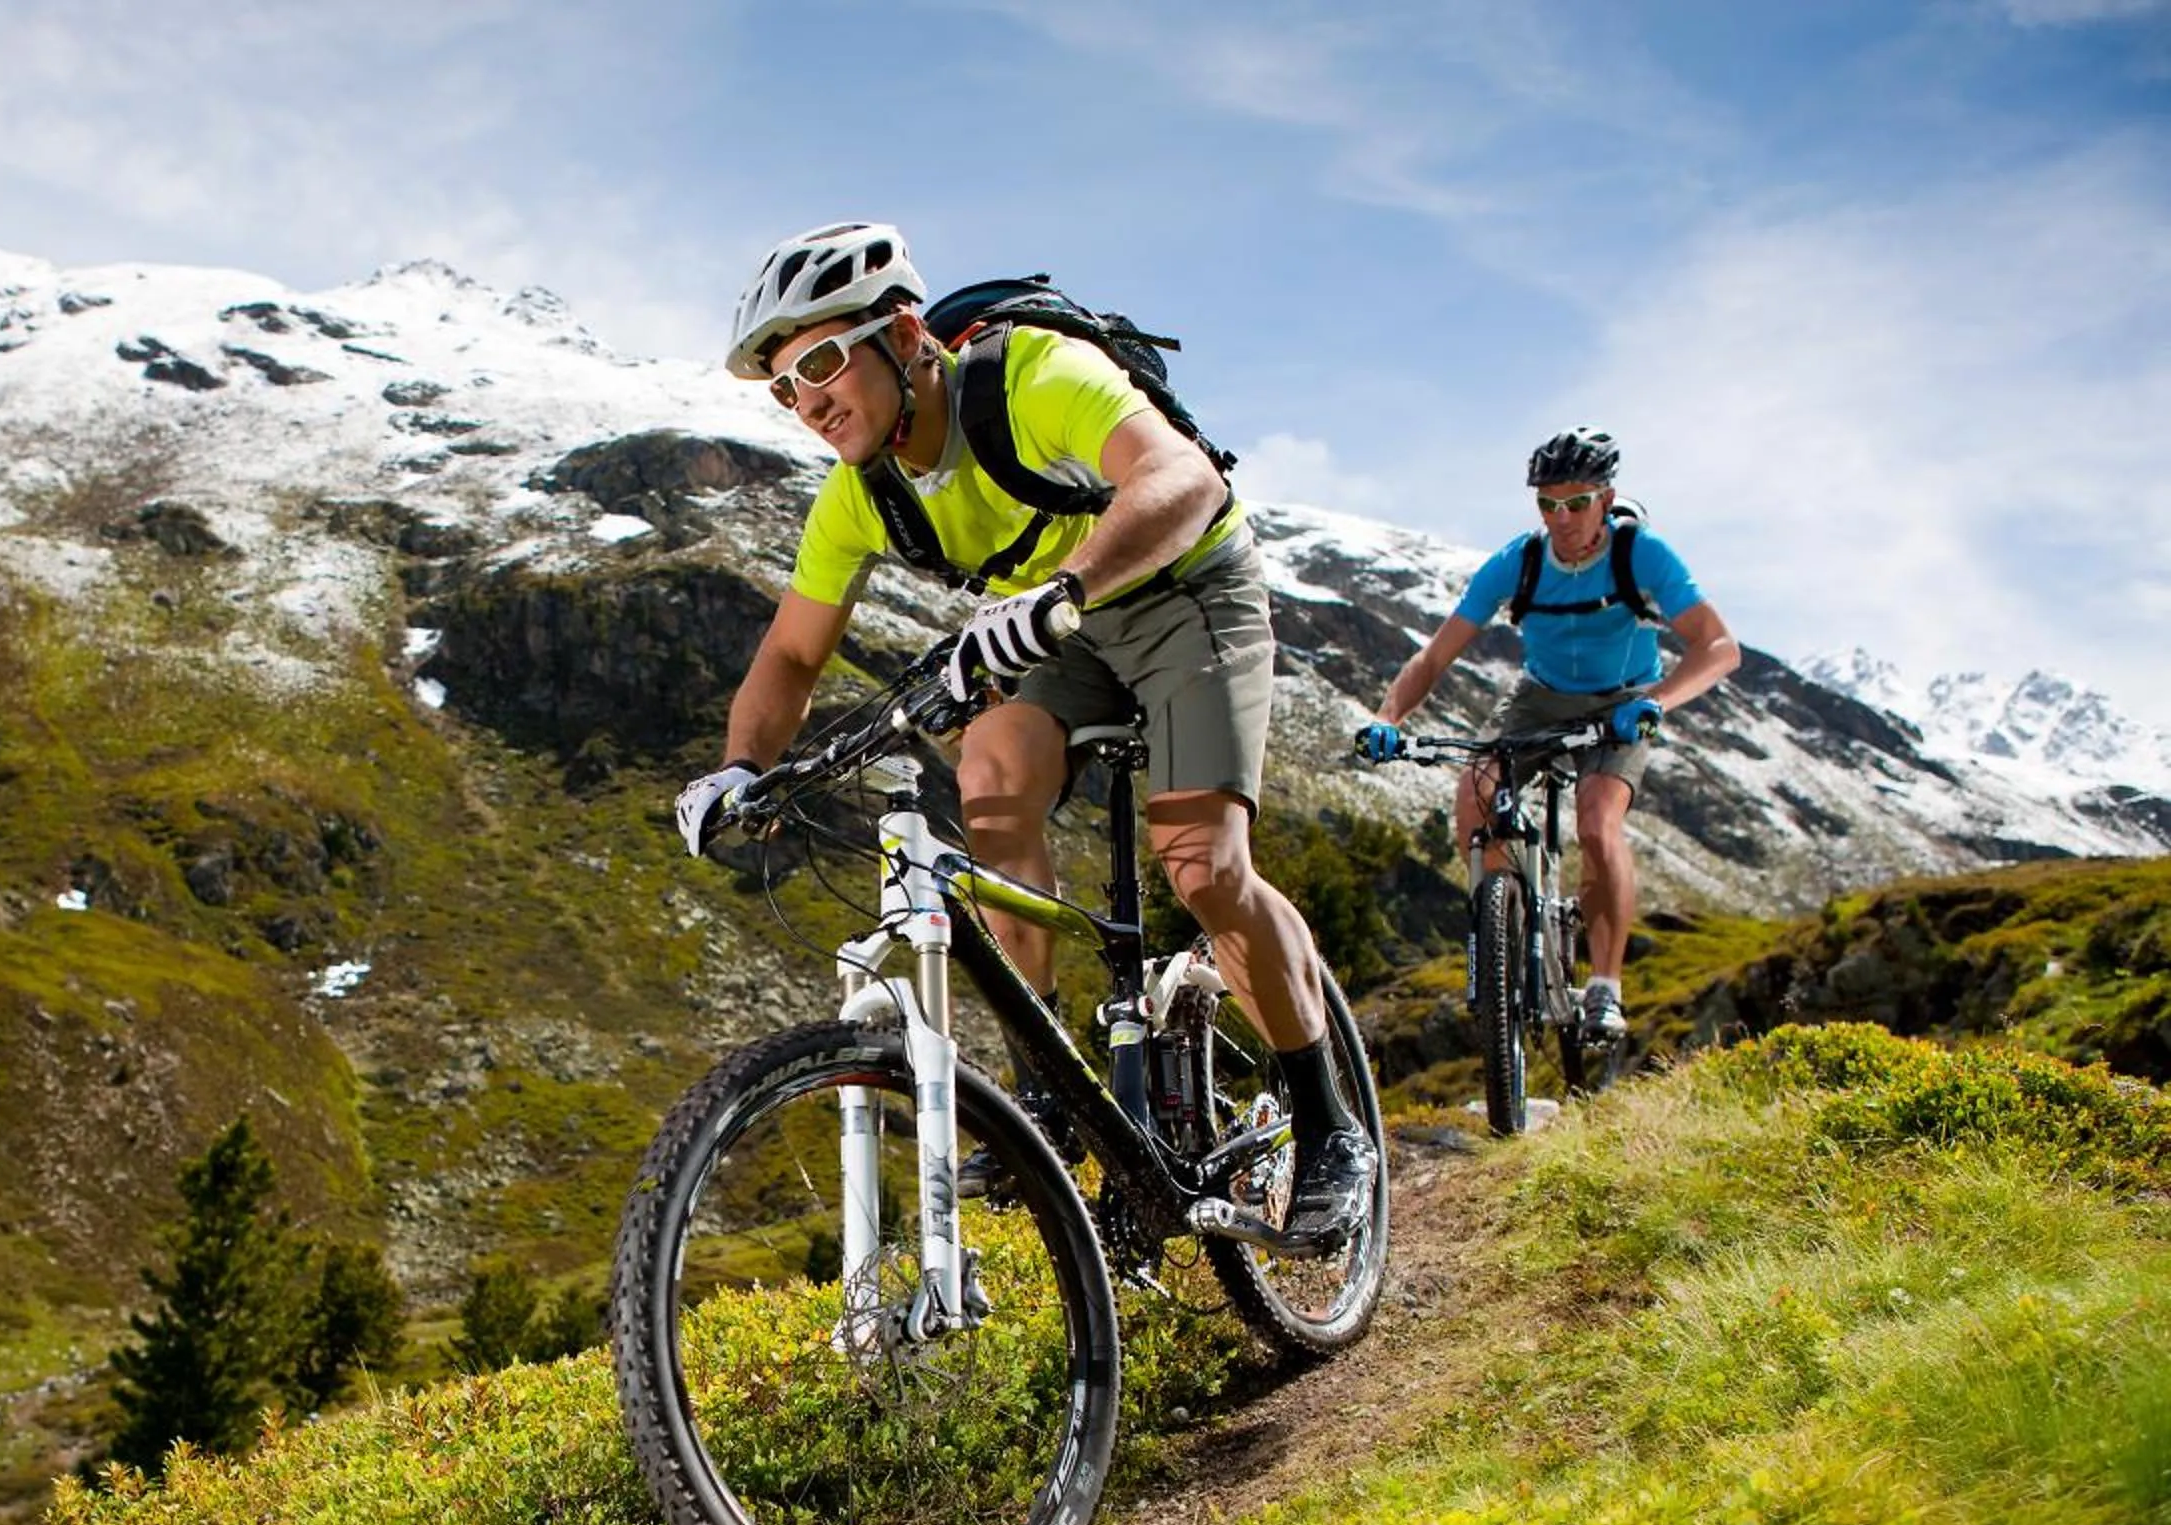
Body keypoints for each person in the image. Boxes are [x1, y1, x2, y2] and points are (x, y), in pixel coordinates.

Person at [671, 220, 1375, 1249]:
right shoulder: (860, 494)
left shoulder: (1032, 377)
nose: (807, 402)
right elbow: (790, 656)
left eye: (819, 364)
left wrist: (1066, 588)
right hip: (1056, 629)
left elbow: (1182, 480)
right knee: (991, 787)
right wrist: (740, 768)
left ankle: (1329, 1126)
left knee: (1203, 866)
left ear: (901, 335)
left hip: (1181, 588)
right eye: (784, 389)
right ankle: (1047, 1085)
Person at [1353, 427, 1741, 1041]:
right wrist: (1386, 719)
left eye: (1577, 503)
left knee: (1597, 821)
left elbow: (1718, 647)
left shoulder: (1642, 554)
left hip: (1623, 700)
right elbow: (1434, 657)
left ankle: (1605, 987)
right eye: (1547, 504)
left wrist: (1654, 704)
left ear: (1606, 499)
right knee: (1475, 790)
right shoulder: (1520, 561)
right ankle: (1504, 932)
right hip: (1539, 697)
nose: (1561, 518)